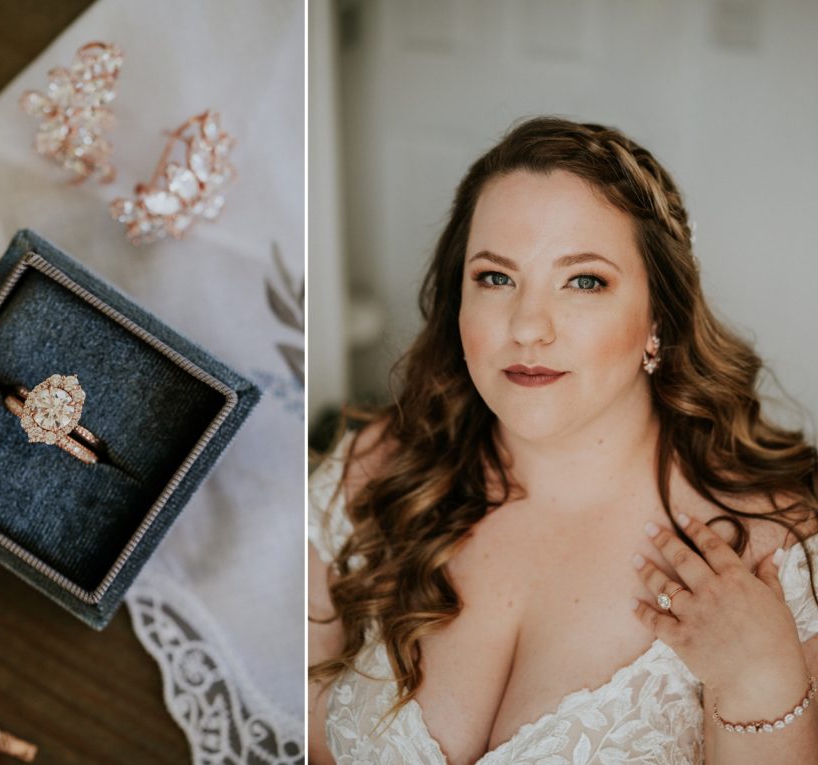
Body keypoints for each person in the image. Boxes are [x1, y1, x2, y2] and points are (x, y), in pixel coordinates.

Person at [307, 116, 818, 765]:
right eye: (495, 277)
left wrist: (760, 680)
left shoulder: (775, 550)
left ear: (660, 313)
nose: (528, 326)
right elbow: (305, 722)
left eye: (584, 280)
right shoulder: (384, 467)